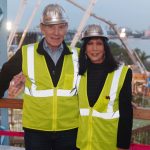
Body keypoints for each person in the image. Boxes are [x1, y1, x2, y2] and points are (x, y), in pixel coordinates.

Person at [0, 4, 79, 150]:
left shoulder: (77, 56)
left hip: (69, 130)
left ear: (66, 28)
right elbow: (5, 73)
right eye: (50, 27)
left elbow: (98, 77)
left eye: (61, 27)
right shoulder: (26, 53)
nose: (56, 32)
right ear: (42, 28)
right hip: (36, 131)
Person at [76, 24, 133, 150]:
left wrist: (122, 146)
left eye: (99, 43)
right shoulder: (79, 73)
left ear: (105, 48)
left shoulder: (122, 73)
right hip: (82, 145)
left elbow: (126, 114)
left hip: (108, 145)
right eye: (90, 43)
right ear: (84, 48)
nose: (94, 48)